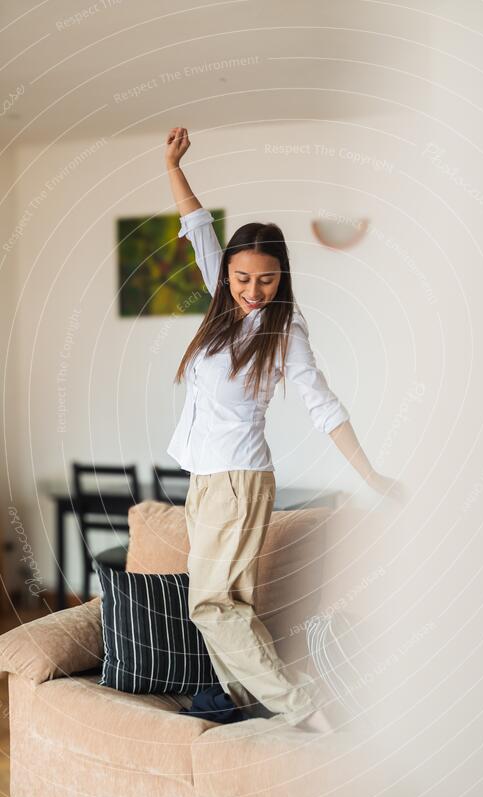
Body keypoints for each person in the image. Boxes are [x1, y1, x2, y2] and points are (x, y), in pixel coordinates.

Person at [164, 127, 405, 733]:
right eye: (242, 278)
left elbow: (324, 406)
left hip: (239, 480)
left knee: (211, 606)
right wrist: (172, 165)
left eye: (265, 280)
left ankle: (307, 708)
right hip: (205, 477)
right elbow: (198, 227)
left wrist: (371, 474)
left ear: (282, 277)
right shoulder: (224, 306)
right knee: (230, 605)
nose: (251, 290)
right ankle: (238, 702)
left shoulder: (285, 331)